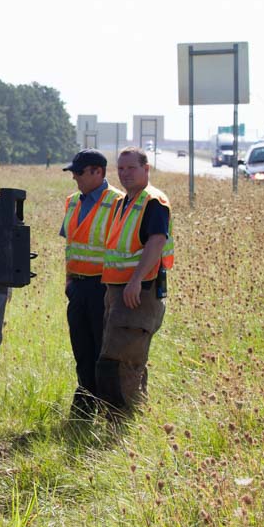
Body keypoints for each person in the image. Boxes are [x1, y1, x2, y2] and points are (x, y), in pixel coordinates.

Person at [96, 147, 175, 417]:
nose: (125, 173)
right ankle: (129, 418)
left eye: (131, 168)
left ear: (146, 169)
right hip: (118, 292)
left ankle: (122, 421)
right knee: (121, 358)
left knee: (122, 362)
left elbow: (157, 241)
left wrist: (135, 281)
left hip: (138, 293)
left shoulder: (153, 201)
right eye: (121, 168)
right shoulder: (124, 202)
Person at [59, 149, 124, 418]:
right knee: (82, 348)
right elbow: (71, 244)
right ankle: (86, 403)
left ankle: (108, 406)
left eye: (79, 172)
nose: (74, 177)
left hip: (104, 288)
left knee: (103, 350)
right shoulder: (72, 201)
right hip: (78, 288)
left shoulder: (118, 202)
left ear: (98, 172)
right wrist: (69, 282)